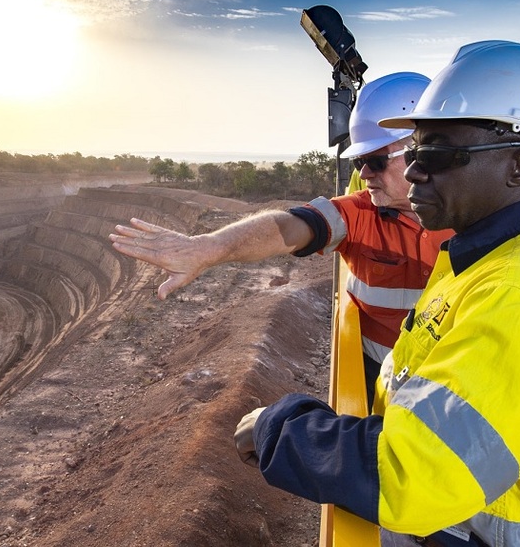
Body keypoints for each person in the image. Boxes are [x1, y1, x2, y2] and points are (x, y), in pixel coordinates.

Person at [235, 40, 520, 546]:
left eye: (437, 153)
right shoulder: (483, 260)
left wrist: (277, 427)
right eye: (413, 151)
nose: (414, 171)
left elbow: (412, 476)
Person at [110, 72, 450, 409]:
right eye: (360, 162)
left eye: (375, 161)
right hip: (380, 392)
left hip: (455, 391)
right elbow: (289, 227)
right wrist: (208, 248)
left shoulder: (481, 222)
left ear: (423, 152)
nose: (364, 175)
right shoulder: (358, 214)